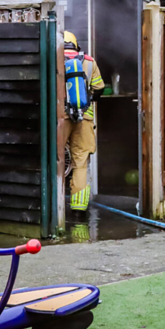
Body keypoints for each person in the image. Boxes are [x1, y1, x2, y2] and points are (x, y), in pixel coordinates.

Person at [61, 31, 105, 218]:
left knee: (54, 160)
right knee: (80, 162)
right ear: (76, 45)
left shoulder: (52, 59)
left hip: (58, 118)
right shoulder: (88, 61)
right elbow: (99, 89)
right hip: (83, 117)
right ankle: (79, 209)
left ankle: (53, 209)